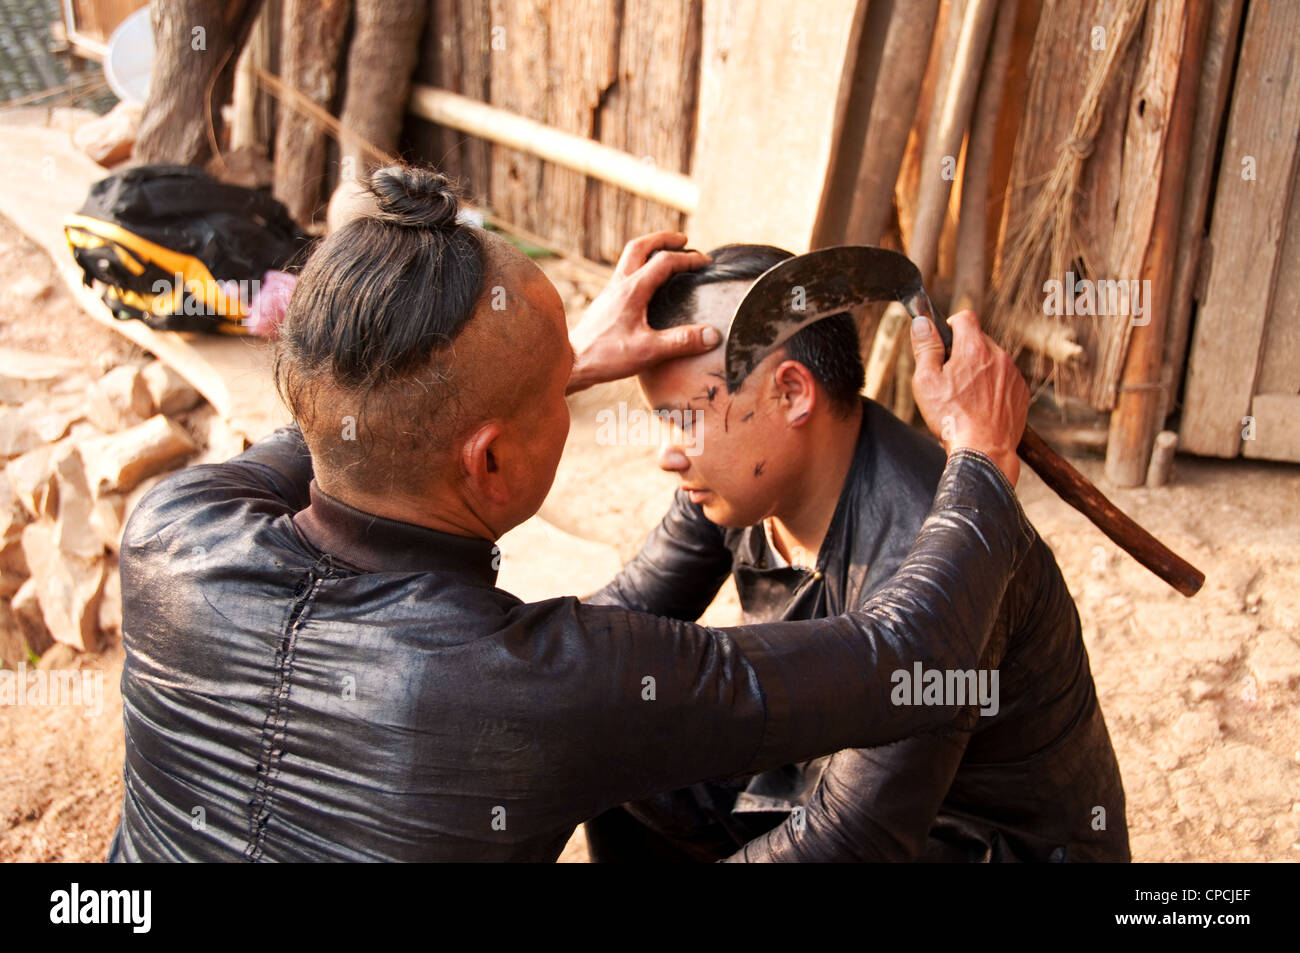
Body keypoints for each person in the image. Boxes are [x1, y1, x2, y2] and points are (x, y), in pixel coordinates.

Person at [108, 167, 1034, 862]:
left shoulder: (169, 527)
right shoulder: (541, 687)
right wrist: (984, 456)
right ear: (494, 457)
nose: (660, 442)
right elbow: (909, 655)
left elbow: (349, 416)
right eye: (565, 390)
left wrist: (534, 368)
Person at [583, 244, 1129, 863]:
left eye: (684, 418)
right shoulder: (738, 482)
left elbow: (854, 840)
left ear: (792, 393)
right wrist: (566, 364)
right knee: (605, 727)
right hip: (816, 780)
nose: (668, 453)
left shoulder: (935, 556)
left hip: (962, 839)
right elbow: (602, 641)